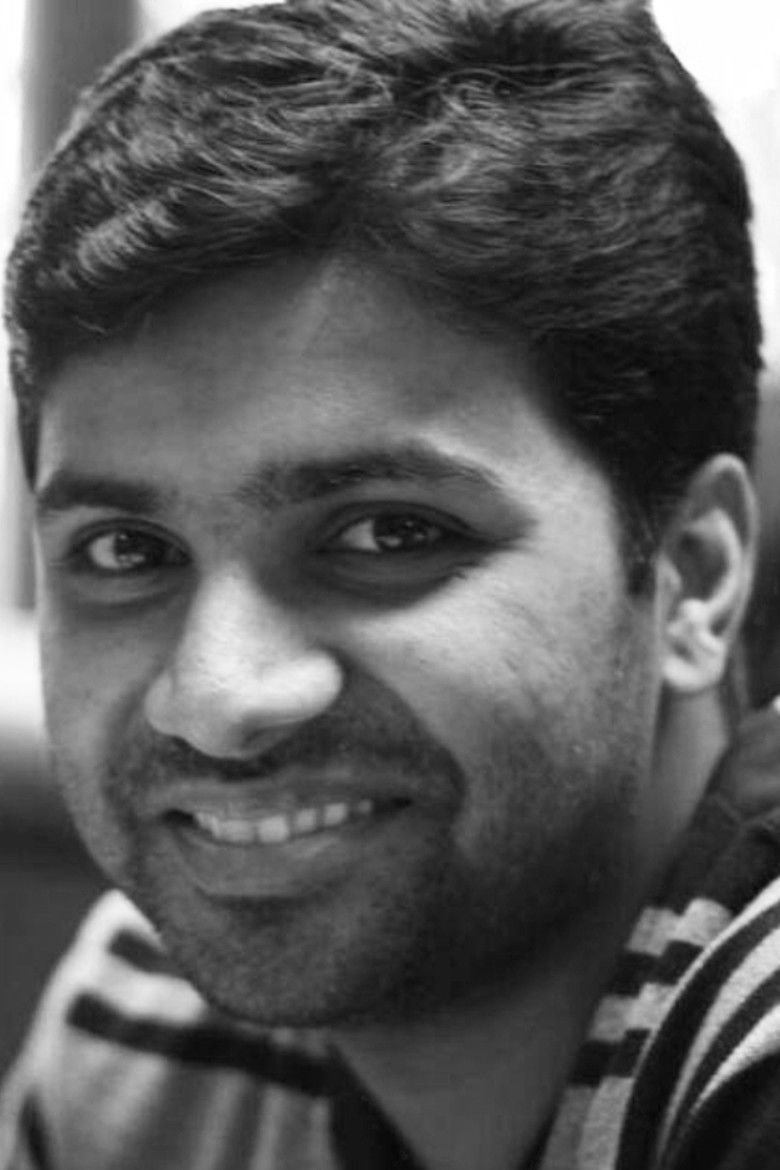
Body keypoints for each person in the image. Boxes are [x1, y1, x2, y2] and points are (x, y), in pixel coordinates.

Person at [1, 0, 779, 1166]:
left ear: (697, 574)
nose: (219, 699)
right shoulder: (148, 1031)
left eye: (388, 533)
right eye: (128, 552)